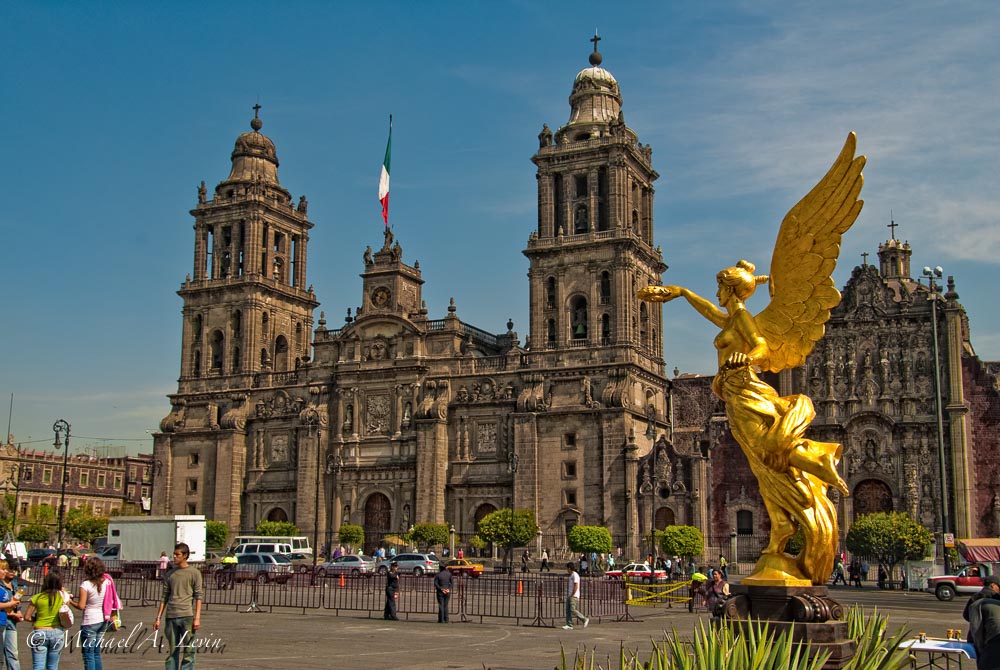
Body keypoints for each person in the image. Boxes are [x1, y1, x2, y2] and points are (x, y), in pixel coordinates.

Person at [154, 542, 203, 670]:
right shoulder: (170, 574)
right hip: (171, 616)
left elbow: (198, 596)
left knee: (189, 650)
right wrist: (158, 617)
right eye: (174, 554)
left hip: (187, 616)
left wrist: (197, 617)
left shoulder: (194, 573)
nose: (174, 557)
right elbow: (164, 596)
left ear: (185, 555)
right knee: (172, 651)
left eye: (177, 554)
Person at [69, 557, 114, 670]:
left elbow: (81, 606)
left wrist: (70, 602)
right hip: (103, 618)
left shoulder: (86, 585)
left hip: (90, 620)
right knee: (96, 653)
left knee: (88, 655)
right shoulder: (107, 582)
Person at [25, 571, 66, 670]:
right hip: (57, 631)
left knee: (38, 666)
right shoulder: (62, 597)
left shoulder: (37, 597)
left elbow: (27, 617)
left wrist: (35, 619)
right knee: (52, 666)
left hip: (40, 631)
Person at [0, 559, 23, 670]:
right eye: (9, 569)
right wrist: (12, 612)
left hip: (11, 621)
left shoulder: (14, 583)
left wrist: (18, 611)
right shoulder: (0, 584)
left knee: (13, 652)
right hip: (5, 617)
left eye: (14, 569)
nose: (12, 572)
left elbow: (16, 600)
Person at [965, 575, 1000, 643]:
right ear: (992, 585)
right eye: (998, 586)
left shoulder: (975, 596)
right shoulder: (996, 597)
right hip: (990, 637)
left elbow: (966, 615)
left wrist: (976, 619)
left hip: (974, 636)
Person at [968, 596, 1000, 669]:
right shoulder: (995, 604)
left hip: (994, 646)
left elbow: (977, 634)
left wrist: (981, 654)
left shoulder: (975, 606)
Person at [563, 562, 588, 630]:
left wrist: (572, 594)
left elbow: (576, 585)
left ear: (569, 568)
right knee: (568, 610)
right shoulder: (571, 575)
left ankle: (584, 619)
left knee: (572, 610)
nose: (567, 570)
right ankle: (569, 624)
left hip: (574, 595)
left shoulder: (575, 575)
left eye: (567, 569)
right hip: (570, 595)